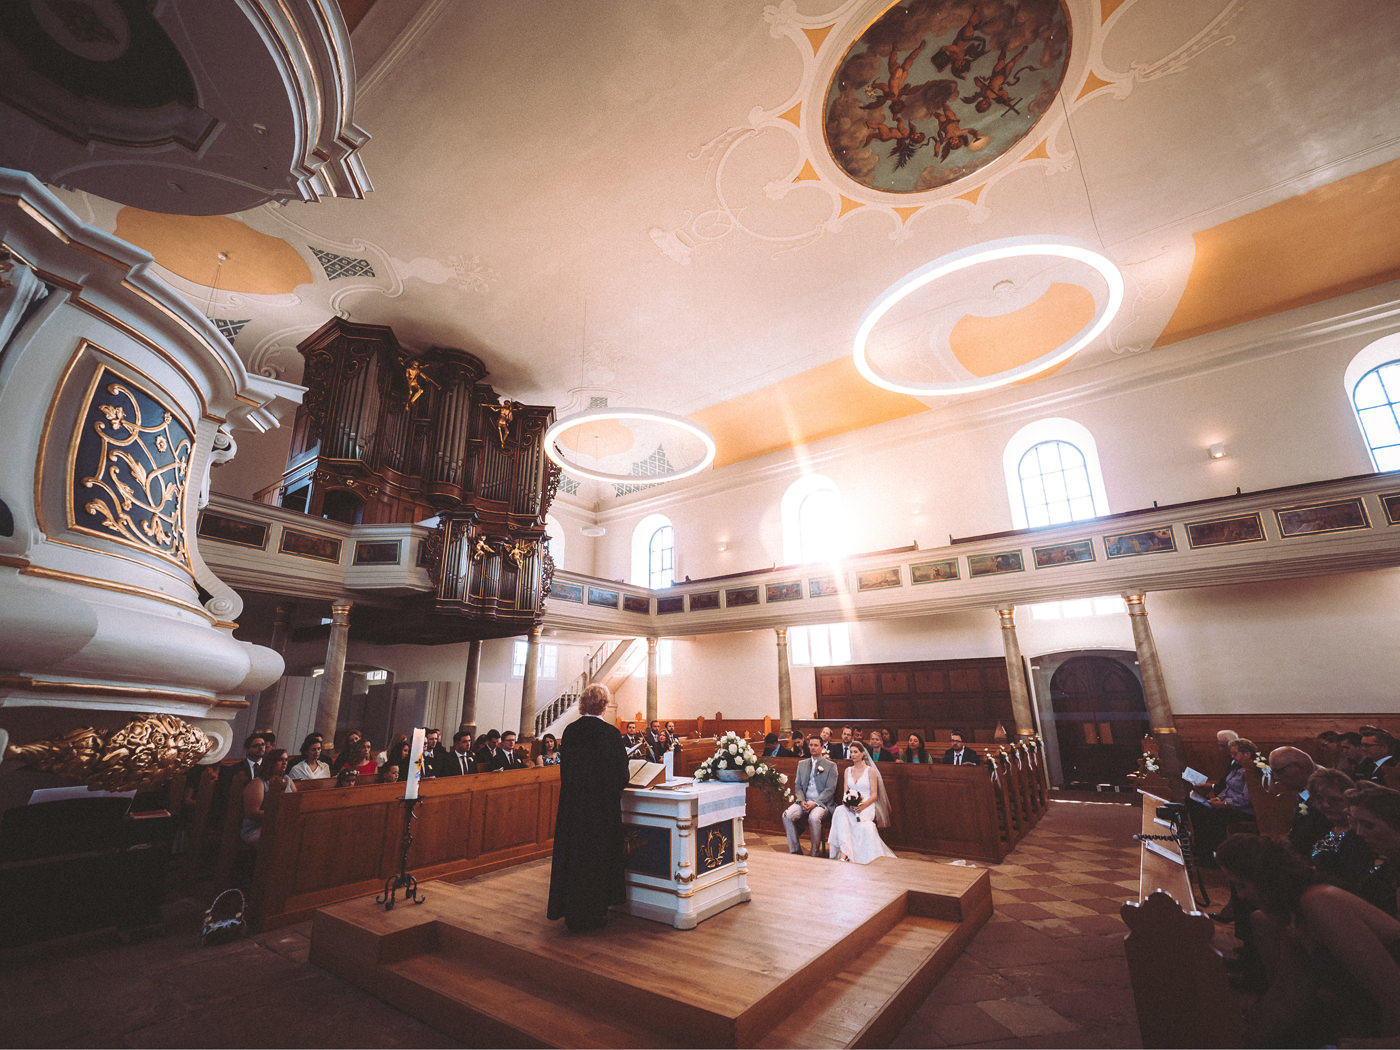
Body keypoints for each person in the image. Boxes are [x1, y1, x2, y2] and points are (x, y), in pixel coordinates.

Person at [1215, 833, 1400, 1045]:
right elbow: (1291, 992)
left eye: (1242, 885)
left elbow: (1394, 999)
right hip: (1359, 1013)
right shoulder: (1282, 918)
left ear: (1266, 880)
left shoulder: (1320, 902)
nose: (1240, 896)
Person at [547, 683, 630, 932]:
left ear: (583, 704)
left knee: (575, 858)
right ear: (604, 705)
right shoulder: (610, 734)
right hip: (601, 810)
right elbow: (621, 775)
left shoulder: (570, 732)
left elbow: (566, 770)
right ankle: (594, 913)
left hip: (574, 808)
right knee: (597, 860)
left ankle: (572, 912)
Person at [827, 741, 896, 864]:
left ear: (863, 754)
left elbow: (874, 795)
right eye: (851, 752)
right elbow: (845, 792)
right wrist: (848, 804)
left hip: (867, 806)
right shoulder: (848, 770)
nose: (852, 755)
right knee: (839, 811)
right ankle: (845, 853)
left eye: (855, 752)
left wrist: (862, 806)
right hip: (850, 806)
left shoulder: (870, 771)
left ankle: (854, 854)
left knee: (861, 824)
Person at [782, 736, 838, 856]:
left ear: (822, 747)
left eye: (816, 745)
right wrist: (802, 801)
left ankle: (814, 853)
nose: (813, 748)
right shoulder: (802, 764)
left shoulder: (830, 765)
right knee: (787, 815)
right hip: (804, 802)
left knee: (813, 818)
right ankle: (795, 850)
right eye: (811, 745)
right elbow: (798, 786)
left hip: (822, 804)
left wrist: (815, 803)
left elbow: (830, 789)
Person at [241, 748, 295, 846]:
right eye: (280, 760)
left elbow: (296, 802)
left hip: (281, 823)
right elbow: (252, 813)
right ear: (271, 762)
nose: (284, 763)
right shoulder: (258, 783)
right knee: (284, 838)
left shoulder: (287, 780)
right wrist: (278, 815)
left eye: (286, 760)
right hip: (257, 828)